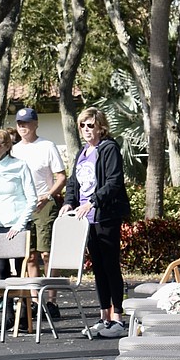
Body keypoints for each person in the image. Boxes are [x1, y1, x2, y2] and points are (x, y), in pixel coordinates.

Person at [61, 108, 131, 338]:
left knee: (111, 266)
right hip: (86, 219)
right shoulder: (83, 152)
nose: (86, 130)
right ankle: (104, 316)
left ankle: (118, 318)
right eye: (83, 125)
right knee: (98, 268)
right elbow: (74, 182)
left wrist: (93, 201)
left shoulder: (108, 148)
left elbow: (114, 182)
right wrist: (69, 203)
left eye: (91, 125)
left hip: (105, 215)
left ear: (101, 126)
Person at [11, 106, 67, 321]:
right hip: (24, 207)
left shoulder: (47, 146)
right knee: (30, 255)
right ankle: (35, 302)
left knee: (47, 254)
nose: (23, 127)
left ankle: (51, 301)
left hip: (44, 205)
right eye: (19, 123)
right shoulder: (14, 150)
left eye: (26, 123)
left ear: (36, 124)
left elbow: (61, 177)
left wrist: (47, 196)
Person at [0, 129, 37, 326]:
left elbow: (32, 199)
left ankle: (24, 315)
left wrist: (19, 225)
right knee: (3, 270)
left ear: (6, 146)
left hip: (17, 224)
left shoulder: (20, 165)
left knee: (21, 270)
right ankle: (8, 314)